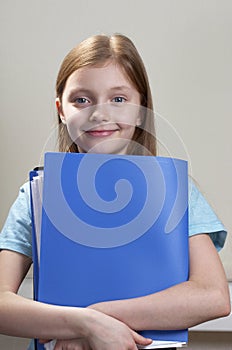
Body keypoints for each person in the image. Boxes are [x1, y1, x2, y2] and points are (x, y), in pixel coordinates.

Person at [0, 34, 230, 350]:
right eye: (81, 100)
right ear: (61, 110)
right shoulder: (37, 195)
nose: (100, 114)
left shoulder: (176, 193)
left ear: (141, 110)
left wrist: (98, 318)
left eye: (118, 99)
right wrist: (82, 324)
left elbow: (212, 297)